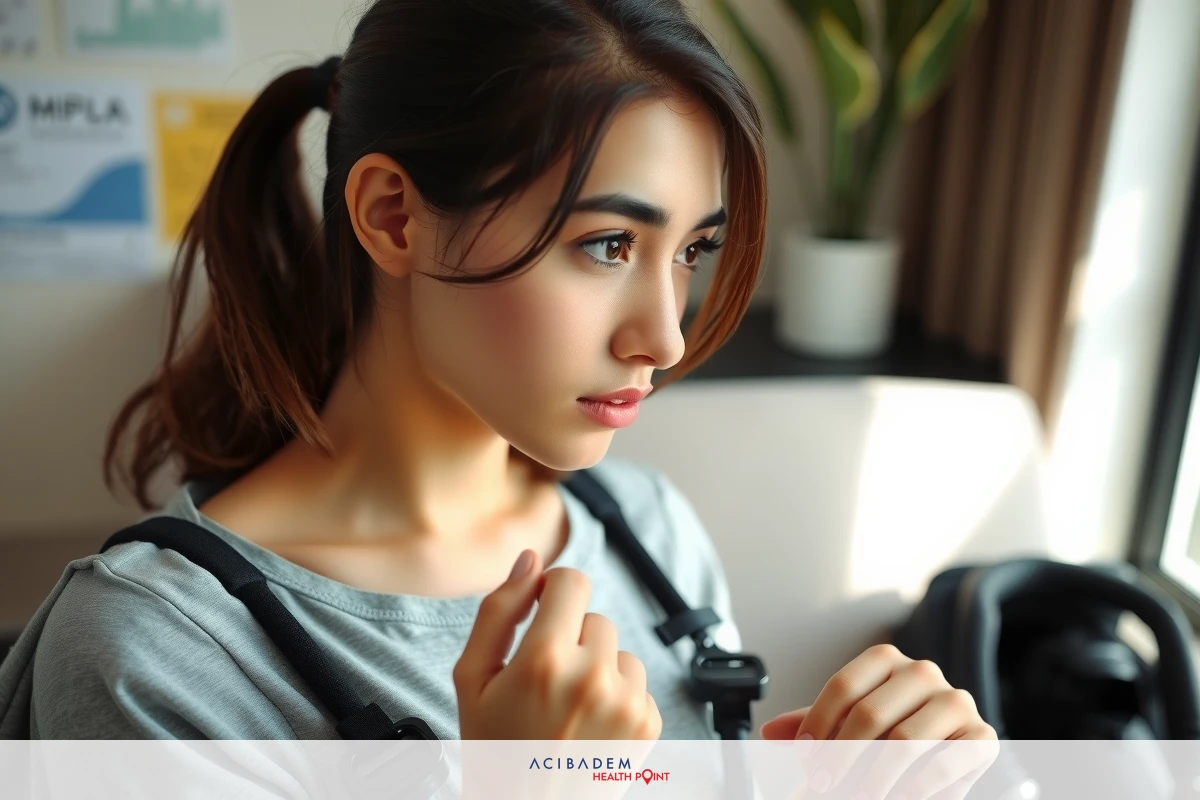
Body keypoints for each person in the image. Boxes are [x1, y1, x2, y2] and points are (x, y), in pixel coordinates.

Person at [0, 0, 996, 751]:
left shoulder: (646, 532)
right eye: (607, 244)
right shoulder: (146, 656)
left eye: (690, 250)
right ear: (394, 215)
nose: (667, 337)